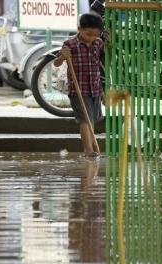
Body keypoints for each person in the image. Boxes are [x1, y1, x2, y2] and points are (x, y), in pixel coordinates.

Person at [53, 13, 106, 160]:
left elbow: (104, 59)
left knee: (92, 119)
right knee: (84, 120)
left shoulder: (99, 43)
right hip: (78, 89)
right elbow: (56, 63)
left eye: (95, 35)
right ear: (79, 29)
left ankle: (90, 149)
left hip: (95, 87)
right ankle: (88, 150)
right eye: (88, 34)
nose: (91, 38)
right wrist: (63, 56)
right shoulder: (70, 44)